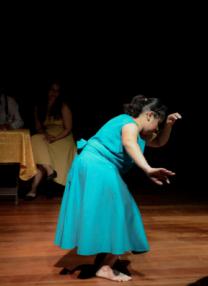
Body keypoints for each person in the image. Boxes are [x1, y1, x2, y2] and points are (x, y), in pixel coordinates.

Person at [54, 95, 182, 282]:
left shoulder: (137, 132)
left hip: (92, 165)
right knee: (125, 213)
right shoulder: (129, 124)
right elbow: (129, 143)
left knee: (111, 214)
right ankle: (105, 267)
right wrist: (147, 169)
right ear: (149, 115)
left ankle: (104, 260)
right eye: (158, 123)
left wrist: (169, 125)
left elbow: (159, 142)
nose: (157, 128)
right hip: (97, 165)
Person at [25, 80, 77, 200]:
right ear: (47, 91)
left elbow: (68, 128)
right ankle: (50, 170)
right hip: (47, 136)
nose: (54, 93)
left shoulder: (63, 106)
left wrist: (55, 138)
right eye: (52, 90)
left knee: (41, 155)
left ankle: (33, 189)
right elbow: (38, 127)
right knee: (35, 139)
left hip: (62, 137)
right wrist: (46, 135)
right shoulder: (39, 107)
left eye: (57, 91)